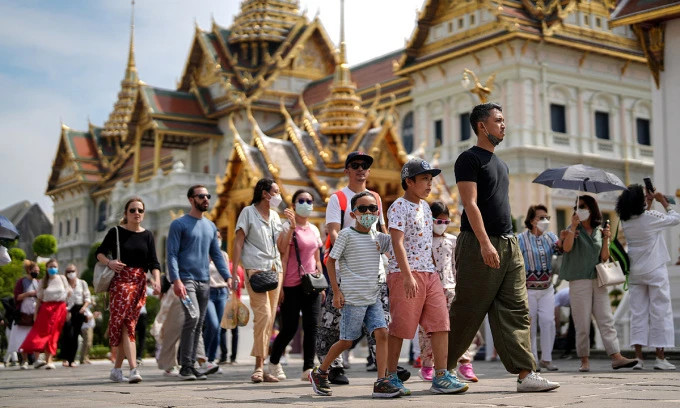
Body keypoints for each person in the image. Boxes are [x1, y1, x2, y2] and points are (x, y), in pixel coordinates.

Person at [450, 103, 559, 392]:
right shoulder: (468, 159)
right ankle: (441, 368)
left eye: (503, 120)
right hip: (478, 242)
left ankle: (526, 374)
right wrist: (485, 243)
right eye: (498, 120)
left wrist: (506, 243)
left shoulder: (501, 163)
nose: (503, 125)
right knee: (468, 310)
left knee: (516, 309)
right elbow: (470, 204)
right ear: (482, 126)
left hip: (509, 242)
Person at [385, 158, 468, 396]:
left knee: (441, 324)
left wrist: (432, 271)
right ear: (409, 182)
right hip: (405, 273)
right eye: (424, 179)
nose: (430, 184)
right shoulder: (398, 206)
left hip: (430, 274)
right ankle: (389, 378)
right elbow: (397, 243)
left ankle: (441, 376)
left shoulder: (424, 207)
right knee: (401, 328)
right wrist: (407, 275)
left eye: (431, 179)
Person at [309, 191, 400, 398]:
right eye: (363, 208)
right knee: (347, 341)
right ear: (353, 213)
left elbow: (398, 242)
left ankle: (381, 381)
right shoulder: (346, 235)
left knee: (382, 333)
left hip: (373, 296)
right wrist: (337, 291)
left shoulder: (379, 238)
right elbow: (331, 261)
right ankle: (321, 372)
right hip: (353, 298)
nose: (368, 212)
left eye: (372, 208)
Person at [319, 151, 392, 385]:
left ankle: (384, 373)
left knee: (382, 328)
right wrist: (347, 254)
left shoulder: (376, 198)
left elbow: (383, 230)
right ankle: (330, 367)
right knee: (336, 325)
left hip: (373, 271)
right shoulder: (338, 198)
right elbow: (333, 231)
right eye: (355, 165)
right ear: (347, 170)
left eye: (365, 166)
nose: (361, 169)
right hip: (345, 270)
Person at [560, 195, 637, 372]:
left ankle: (616, 357)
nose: (579, 209)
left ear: (592, 208)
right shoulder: (572, 228)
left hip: (598, 279)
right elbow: (567, 248)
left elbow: (603, 257)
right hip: (579, 281)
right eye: (577, 206)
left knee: (606, 319)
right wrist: (572, 227)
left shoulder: (599, 230)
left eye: (583, 206)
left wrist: (606, 239)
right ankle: (584, 360)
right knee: (582, 323)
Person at [167, 185, 233, 381]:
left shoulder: (211, 227)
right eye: (201, 196)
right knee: (193, 318)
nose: (206, 199)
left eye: (208, 196)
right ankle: (186, 366)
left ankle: (192, 365)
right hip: (186, 280)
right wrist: (176, 279)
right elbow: (171, 254)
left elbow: (216, 255)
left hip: (204, 282)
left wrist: (227, 276)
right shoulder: (178, 224)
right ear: (191, 199)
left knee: (199, 323)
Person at [96, 197, 161, 383]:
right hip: (120, 283)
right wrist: (110, 262)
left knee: (128, 324)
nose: (136, 213)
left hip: (139, 283)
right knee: (127, 324)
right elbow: (99, 252)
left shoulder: (147, 235)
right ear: (126, 213)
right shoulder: (116, 231)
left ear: (144, 213)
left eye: (140, 210)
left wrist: (156, 281)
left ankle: (117, 370)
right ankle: (133, 369)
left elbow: (153, 262)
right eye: (132, 210)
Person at [615, 185, 680, 370]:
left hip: (636, 272)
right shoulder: (651, 218)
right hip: (655, 270)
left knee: (638, 314)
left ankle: (639, 357)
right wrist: (664, 202)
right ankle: (660, 358)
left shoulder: (626, 220)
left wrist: (649, 203)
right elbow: (675, 219)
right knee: (660, 311)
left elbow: (643, 219)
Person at [417, 202, 480, 382]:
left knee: (458, 327)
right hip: (428, 291)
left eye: (446, 221)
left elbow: (456, 265)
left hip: (451, 288)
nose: (442, 224)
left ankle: (465, 363)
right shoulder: (422, 240)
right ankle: (428, 365)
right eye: (438, 220)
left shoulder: (453, 240)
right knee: (427, 330)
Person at [269, 189, 323, 381]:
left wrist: (321, 280)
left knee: (312, 327)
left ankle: (308, 368)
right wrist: (291, 227)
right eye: (301, 200)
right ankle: (274, 362)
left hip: (312, 285)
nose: (305, 204)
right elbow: (282, 251)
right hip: (291, 284)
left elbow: (317, 258)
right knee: (289, 328)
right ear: (293, 204)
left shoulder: (314, 229)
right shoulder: (286, 227)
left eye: (309, 201)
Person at [231, 178, 282, 383]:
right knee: (264, 315)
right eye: (276, 192)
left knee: (269, 320)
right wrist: (234, 271)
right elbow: (238, 242)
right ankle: (259, 367)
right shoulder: (248, 212)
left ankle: (264, 365)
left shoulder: (277, 216)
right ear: (264, 193)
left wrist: (292, 226)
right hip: (255, 270)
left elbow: (282, 245)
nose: (279, 196)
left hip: (275, 269)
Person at [517, 205, 560, 372]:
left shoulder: (551, 237)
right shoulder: (521, 239)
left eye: (547, 217)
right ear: (532, 220)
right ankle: (532, 360)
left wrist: (565, 238)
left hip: (547, 288)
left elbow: (561, 250)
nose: (545, 221)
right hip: (527, 289)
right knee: (530, 324)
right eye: (541, 218)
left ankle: (547, 359)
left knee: (548, 321)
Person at [20, 258, 71, 369]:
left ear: (58, 268)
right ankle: (34, 358)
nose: (53, 269)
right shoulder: (43, 281)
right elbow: (39, 299)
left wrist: (68, 310)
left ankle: (49, 360)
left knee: (54, 334)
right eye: (50, 267)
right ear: (47, 268)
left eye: (55, 267)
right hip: (46, 309)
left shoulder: (62, 278)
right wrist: (35, 314)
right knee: (39, 333)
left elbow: (68, 294)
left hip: (60, 308)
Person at [202, 230, 230, 370]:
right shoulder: (203, 255)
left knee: (218, 328)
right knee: (212, 324)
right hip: (208, 292)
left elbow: (227, 274)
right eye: (215, 237)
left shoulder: (223, 255)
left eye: (219, 237)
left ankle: (212, 360)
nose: (217, 240)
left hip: (222, 292)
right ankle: (204, 357)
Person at [8, 261, 40, 369]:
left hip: (35, 313)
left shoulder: (38, 282)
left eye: (38, 271)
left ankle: (37, 360)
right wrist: (28, 294)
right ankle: (24, 361)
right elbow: (17, 297)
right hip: (23, 314)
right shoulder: (22, 282)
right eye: (35, 271)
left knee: (36, 337)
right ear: (29, 271)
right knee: (23, 338)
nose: (36, 273)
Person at [59, 264, 91, 367]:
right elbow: (61, 298)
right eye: (68, 271)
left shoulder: (82, 283)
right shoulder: (64, 284)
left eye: (72, 271)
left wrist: (84, 308)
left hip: (79, 310)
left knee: (75, 335)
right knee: (68, 333)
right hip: (67, 310)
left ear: (76, 271)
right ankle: (65, 358)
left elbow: (87, 298)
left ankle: (72, 359)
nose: (71, 273)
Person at [220, 260, 244, 365]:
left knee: (223, 331)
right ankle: (233, 357)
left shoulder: (223, 269)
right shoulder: (239, 269)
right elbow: (243, 286)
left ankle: (223, 356)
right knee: (235, 332)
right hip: (237, 302)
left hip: (225, 302)